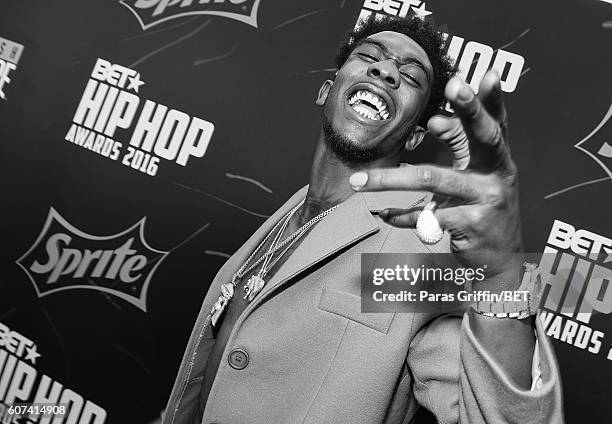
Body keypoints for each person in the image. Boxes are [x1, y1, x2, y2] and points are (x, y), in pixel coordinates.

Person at [161, 14, 563, 424]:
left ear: (414, 137)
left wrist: (499, 278)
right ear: (326, 89)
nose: (386, 70)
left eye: (409, 76)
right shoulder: (292, 212)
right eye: (370, 55)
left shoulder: (420, 243)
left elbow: (496, 414)